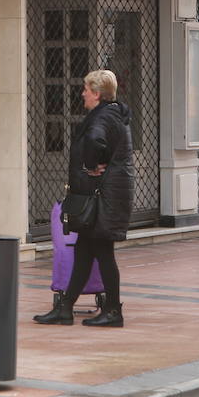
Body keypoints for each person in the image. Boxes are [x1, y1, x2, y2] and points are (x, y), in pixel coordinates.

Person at [33, 68, 134, 328]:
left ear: (97, 94)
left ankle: (113, 311)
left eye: (86, 90)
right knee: (84, 252)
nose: (82, 94)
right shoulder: (111, 115)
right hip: (106, 194)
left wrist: (92, 164)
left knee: (102, 251)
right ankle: (66, 307)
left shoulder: (102, 116)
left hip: (103, 196)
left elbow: (95, 141)